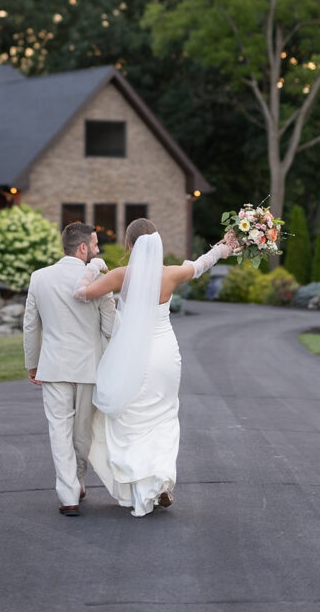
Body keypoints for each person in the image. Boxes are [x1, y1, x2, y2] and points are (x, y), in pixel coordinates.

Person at [74, 217, 235, 517]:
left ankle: (141, 487)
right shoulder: (172, 274)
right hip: (164, 354)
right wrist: (224, 248)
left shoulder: (121, 275)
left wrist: (93, 268)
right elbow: (202, 264)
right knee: (163, 417)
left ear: (131, 245)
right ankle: (161, 483)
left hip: (132, 354)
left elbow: (81, 294)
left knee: (132, 420)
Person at [23, 222, 116, 517]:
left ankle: (69, 494)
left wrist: (32, 363)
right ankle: (77, 482)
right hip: (89, 367)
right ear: (83, 248)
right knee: (81, 433)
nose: (98, 249)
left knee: (59, 431)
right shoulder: (99, 280)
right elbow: (110, 326)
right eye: (96, 243)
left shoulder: (39, 278)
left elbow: (30, 326)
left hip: (53, 366)